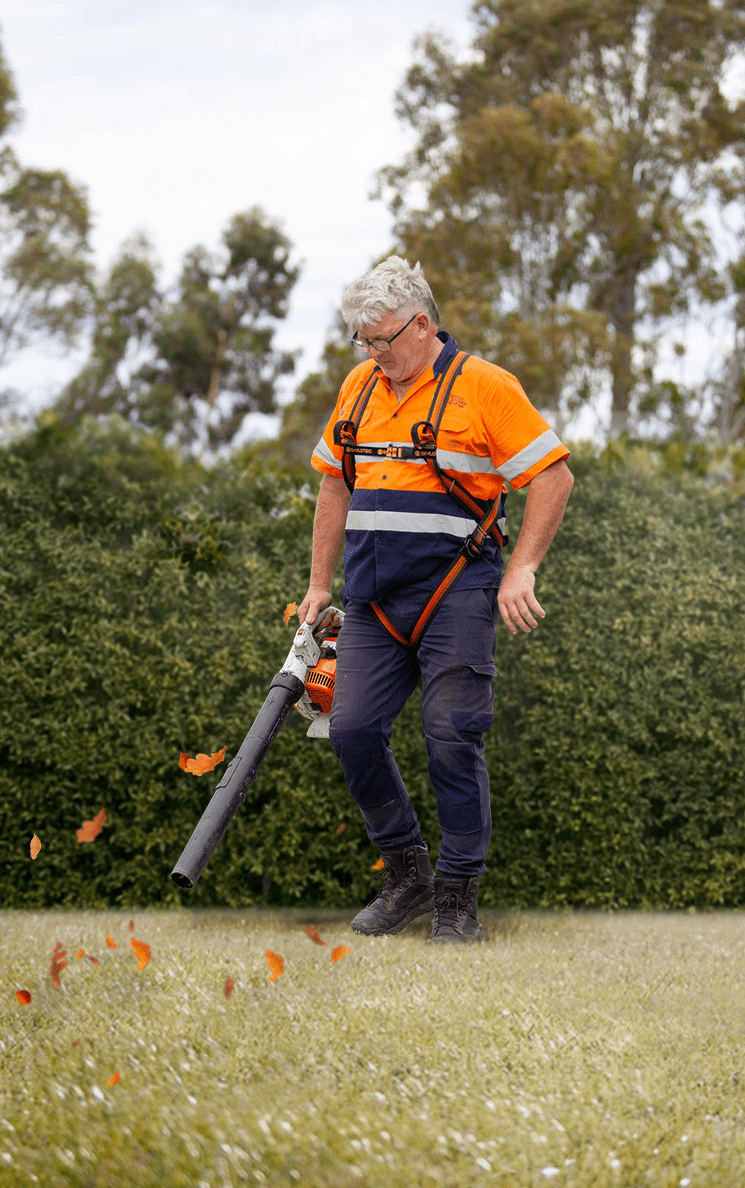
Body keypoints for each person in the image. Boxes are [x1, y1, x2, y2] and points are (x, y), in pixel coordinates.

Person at [296, 256, 573, 943]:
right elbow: (335, 483)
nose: (371, 353)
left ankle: (457, 897)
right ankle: (407, 873)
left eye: (381, 340)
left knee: (453, 737)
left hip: (457, 590)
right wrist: (318, 584)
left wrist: (523, 570)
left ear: (421, 326)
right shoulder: (359, 388)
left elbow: (553, 476)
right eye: (363, 341)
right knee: (353, 731)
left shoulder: (483, 387)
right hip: (372, 599)